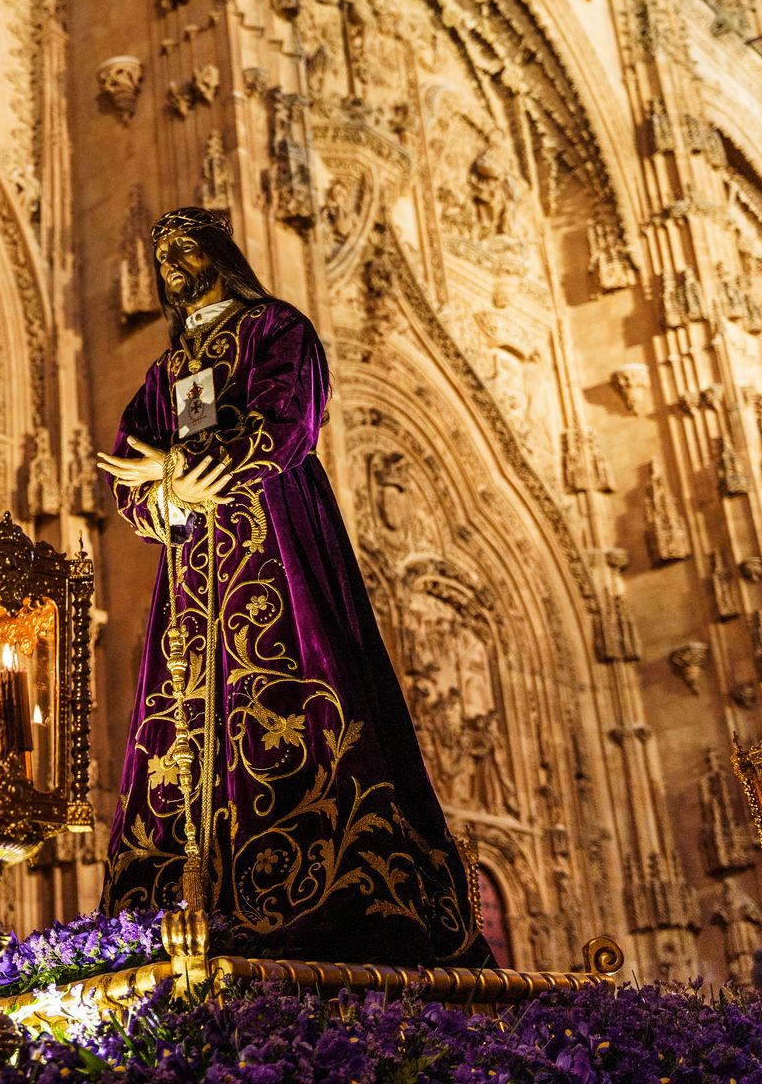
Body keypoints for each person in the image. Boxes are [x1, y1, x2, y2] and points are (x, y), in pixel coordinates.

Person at [95, 206, 491, 966]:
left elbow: (288, 420)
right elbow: (129, 464)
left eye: (184, 249)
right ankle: (181, 902)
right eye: (161, 256)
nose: (171, 266)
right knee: (184, 722)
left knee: (294, 683)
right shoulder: (166, 371)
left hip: (273, 536)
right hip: (193, 568)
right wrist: (168, 495)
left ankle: (325, 895)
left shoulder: (276, 328)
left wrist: (187, 468)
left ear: (219, 254)